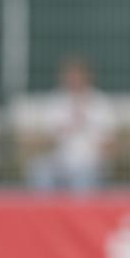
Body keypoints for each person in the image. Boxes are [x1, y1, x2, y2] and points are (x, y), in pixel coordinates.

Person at [27, 57, 116, 192]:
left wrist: (86, 127)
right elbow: (44, 140)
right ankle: (45, 212)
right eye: (70, 75)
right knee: (39, 169)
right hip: (60, 161)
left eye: (78, 75)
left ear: (87, 77)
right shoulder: (55, 101)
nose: (74, 79)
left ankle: (81, 213)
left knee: (83, 175)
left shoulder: (100, 103)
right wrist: (64, 129)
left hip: (89, 162)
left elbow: (110, 143)